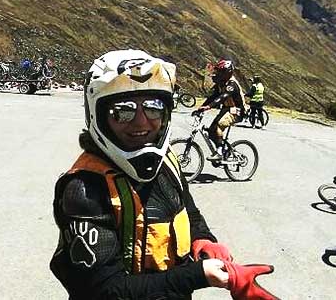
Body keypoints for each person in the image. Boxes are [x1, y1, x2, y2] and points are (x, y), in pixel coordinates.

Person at [50, 50, 277, 299]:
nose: (141, 122)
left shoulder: (166, 159)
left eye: (153, 108)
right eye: (123, 110)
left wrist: (203, 240)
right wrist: (197, 275)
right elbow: (102, 290)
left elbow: (186, 208)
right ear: (98, 115)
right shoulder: (84, 189)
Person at [192, 59, 247, 161]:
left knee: (218, 126)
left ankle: (220, 152)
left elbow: (223, 97)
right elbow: (213, 97)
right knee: (211, 131)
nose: (217, 74)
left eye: (220, 72)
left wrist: (209, 107)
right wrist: (201, 108)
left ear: (227, 72)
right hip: (227, 109)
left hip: (237, 111)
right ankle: (222, 147)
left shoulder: (231, 84)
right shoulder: (221, 83)